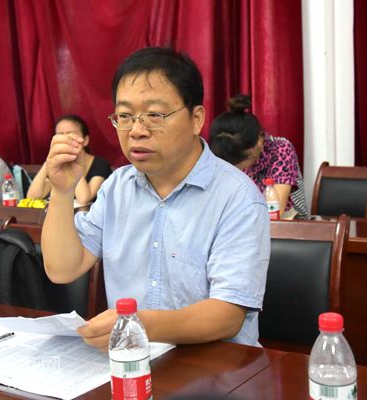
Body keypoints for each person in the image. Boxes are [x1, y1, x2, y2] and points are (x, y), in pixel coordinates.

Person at [42, 47, 270, 350]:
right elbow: (62, 269)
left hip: (215, 366)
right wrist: (61, 192)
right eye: (125, 116)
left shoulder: (237, 197)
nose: (136, 131)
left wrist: (137, 324)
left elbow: (227, 315)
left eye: (154, 115)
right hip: (132, 363)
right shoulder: (116, 188)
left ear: (196, 119)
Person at [209, 94, 308, 218]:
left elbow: (275, 212)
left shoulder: (280, 149)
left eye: (237, 161)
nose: (232, 166)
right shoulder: (226, 153)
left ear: (259, 142)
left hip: (286, 223)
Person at [26, 115, 112, 204]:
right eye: (60, 135)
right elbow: (32, 196)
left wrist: (73, 160)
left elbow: (84, 199)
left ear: (85, 140)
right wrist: (49, 160)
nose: (65, 140)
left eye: (70, 134)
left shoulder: (100, 164)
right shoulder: (60, 164)